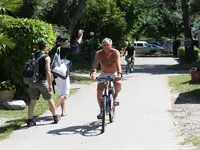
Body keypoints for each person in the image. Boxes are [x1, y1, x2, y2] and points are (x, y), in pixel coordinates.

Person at [49, 30, 83, 117]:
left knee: (61, 92)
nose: (65, 42)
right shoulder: (62, 49)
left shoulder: (53, 50)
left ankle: (63, 111)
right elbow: (75, 47)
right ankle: (54, 108)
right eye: (63, 41)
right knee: (65, 93)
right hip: (63, 74)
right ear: (58, 42)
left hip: (56, 74)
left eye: (66, 41)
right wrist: (79, 38)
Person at [27, 40, 60, 127]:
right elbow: (48, 71)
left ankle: (29, 121)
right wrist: (50, 84)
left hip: (32, 82)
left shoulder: (33, 55)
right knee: (49, 99)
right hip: (42, 82)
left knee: (32, 101)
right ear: (45, 47)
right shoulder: (47, 57)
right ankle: (55, 117)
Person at [90, 38, 122, 119]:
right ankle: (101, 110)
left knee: (118, 83)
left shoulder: (115, 52)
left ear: (111, 45)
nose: (106, 47)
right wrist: (93, 73)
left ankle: (115, 97)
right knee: (99, 89)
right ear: (102, 46)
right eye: (104, 45)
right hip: (104, 73)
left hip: (114, 73)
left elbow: (118, 63)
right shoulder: (99, 53)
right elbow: (95, 64)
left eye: (108, 45)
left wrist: (119, 73)